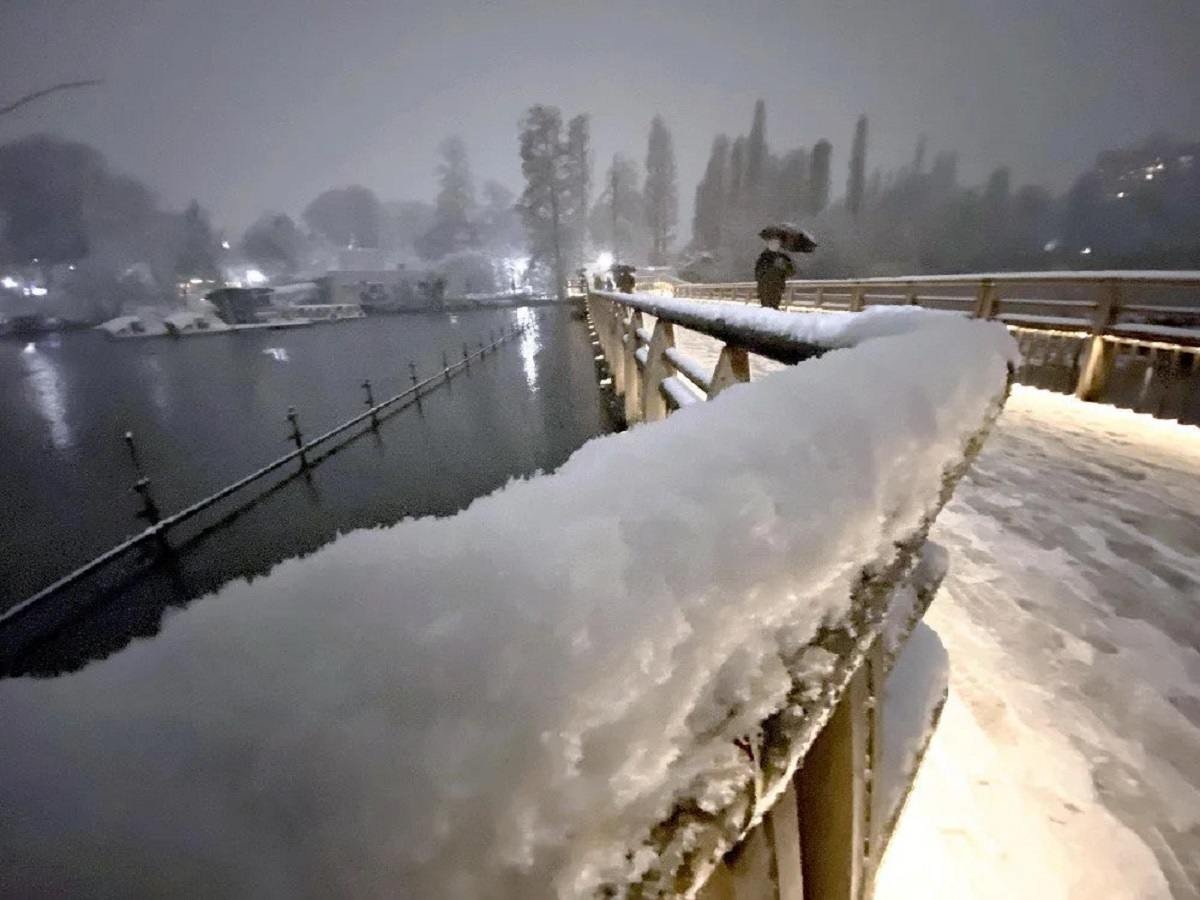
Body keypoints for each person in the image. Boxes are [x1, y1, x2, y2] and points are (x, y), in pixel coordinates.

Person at [754, 238, 795, 309]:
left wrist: (784, 267)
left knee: (773, 305)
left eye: (777, 244)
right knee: (766, 306)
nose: (774, 245)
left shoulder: (783, 258)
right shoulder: (763, 257)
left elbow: (791, 272)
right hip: (765, 286)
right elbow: (757, 273)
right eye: (772, 243)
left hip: (776, 286)